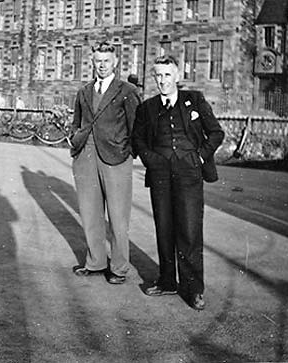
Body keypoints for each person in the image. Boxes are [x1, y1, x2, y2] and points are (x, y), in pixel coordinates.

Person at [133, 55, 224, 310]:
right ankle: (167, 281)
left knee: (190, 230)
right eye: (158, 76)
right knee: (164, 227)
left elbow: (216, 133)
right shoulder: (147, 107)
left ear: (177, 76)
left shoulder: (194, 100)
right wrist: (151, 159)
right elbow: (137, 139)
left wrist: (199, 156)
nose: (162, 81)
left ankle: (194, 289)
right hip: (160, 173)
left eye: (167, 75)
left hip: (189, 172)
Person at [69, 41, 140, 284]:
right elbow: (77, 121)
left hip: (116, 158)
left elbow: (136, 127)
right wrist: (75, 140)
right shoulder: (84, 91)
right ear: (92, 62)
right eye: (98, 61)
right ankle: (95, 262)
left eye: (106, 61)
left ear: (116, 62)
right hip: (86, 155)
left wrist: (126, 150)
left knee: (118, 217)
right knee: (89, 212)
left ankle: (119, 268)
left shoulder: (127, 91)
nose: (102, 65)